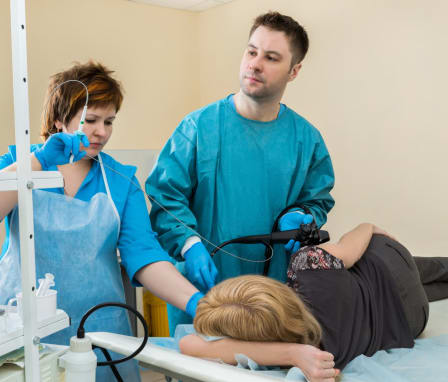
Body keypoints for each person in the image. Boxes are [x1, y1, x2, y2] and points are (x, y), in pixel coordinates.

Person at [0, 61, 203, 381]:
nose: (102, 132)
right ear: (58, 120)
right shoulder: (18, 164)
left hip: (101, 337)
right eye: (90, 120)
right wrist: (38, 161)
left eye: (109, 121)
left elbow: (145, 256)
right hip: (25, 336)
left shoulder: (121, 181)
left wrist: (194, 301)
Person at [146, 11, 335, 334]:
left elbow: (317, 200)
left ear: (294, 71)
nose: (255, 64)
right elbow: (165, 198)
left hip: (274, 300)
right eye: (251, 51)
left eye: (271, 57)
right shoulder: (198, 128)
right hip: (203, 295)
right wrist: (190, 244)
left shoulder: (307, 140)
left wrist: (303, 215)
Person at [179, 223, 448, 382]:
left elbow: (188, 344)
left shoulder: (296, 354)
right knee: (427, 269)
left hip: (412, 319)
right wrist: (371, 227)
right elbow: (358, 237)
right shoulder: (308, 266)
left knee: (417, 293)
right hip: (392, 265)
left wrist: (292, 354)